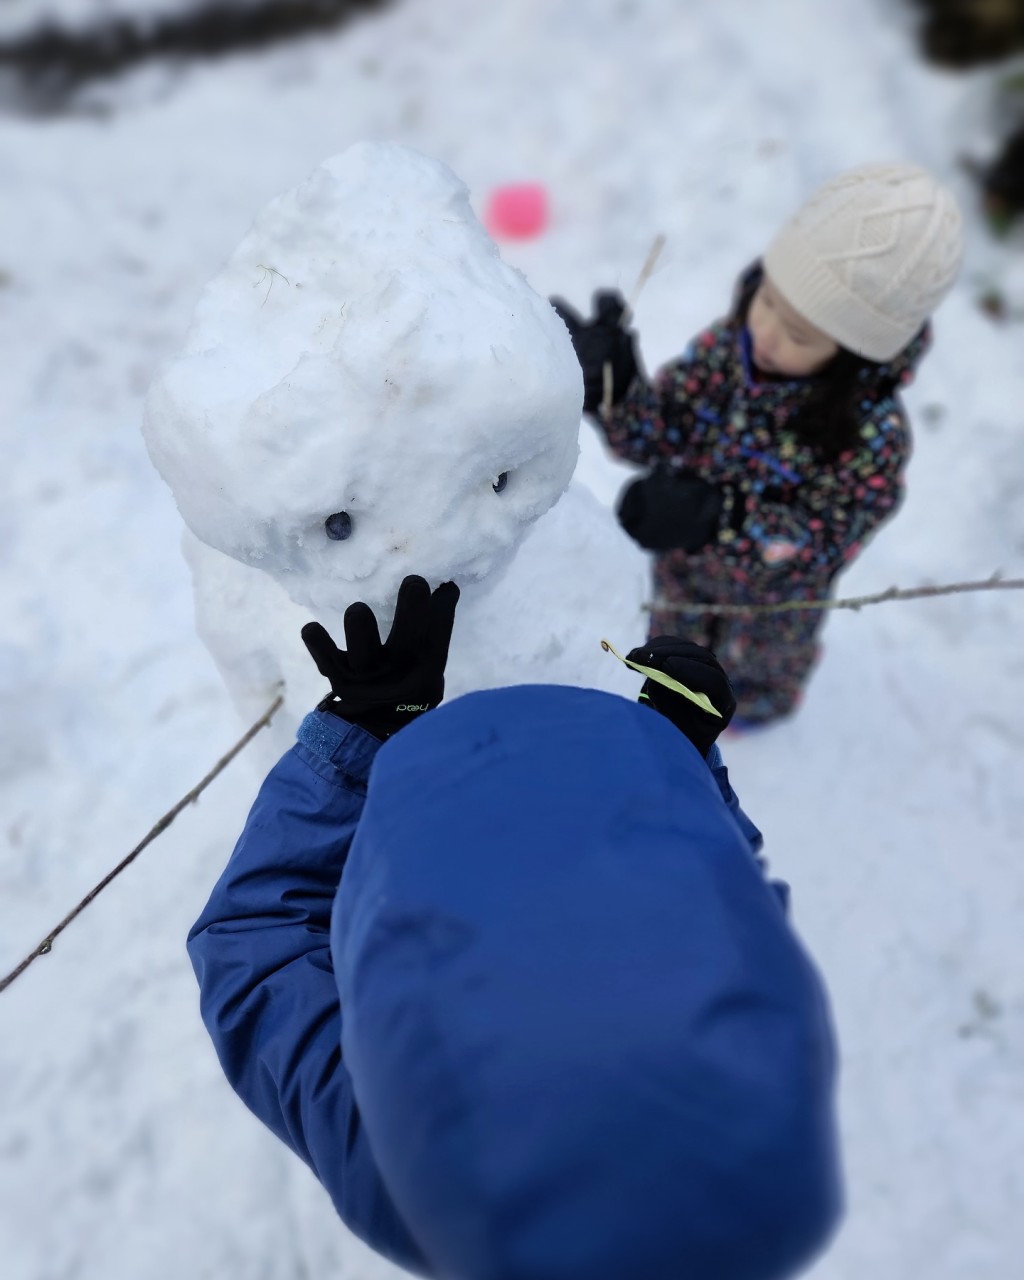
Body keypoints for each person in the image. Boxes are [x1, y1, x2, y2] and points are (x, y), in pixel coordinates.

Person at [187, 575, 842, 1280]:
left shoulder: (405, 1168)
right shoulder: (762, 1118)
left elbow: (253, 946)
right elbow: (730, 908)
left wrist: (361, 732)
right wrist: (678, 766)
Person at [553, 162, 964, 726]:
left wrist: (722, 519)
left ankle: (756, 711)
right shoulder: (729, 348)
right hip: (682, 582)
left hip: (770, 620)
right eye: (765, 299)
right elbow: (660, 435)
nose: (765, 333)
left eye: (799, 334)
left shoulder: (870, 440)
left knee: (746, 685)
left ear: (855, 354)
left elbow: (824, 545)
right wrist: (617, 391)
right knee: (671, 663)